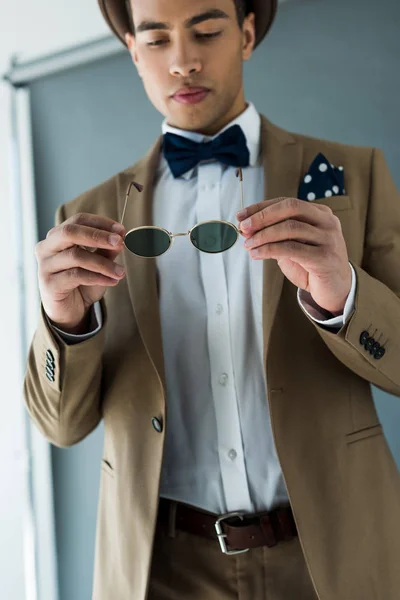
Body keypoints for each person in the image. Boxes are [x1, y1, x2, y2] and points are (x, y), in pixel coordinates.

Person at [23, 0, 400, 598]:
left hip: (334, 551)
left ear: (247, 33)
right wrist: (66, 322)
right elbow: (61, 428)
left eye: (205, 30)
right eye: (156, 40)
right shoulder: (83, 217)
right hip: (161, 569)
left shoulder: (358, 176)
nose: (182, 62)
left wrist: (344, 296)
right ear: (132, 52)